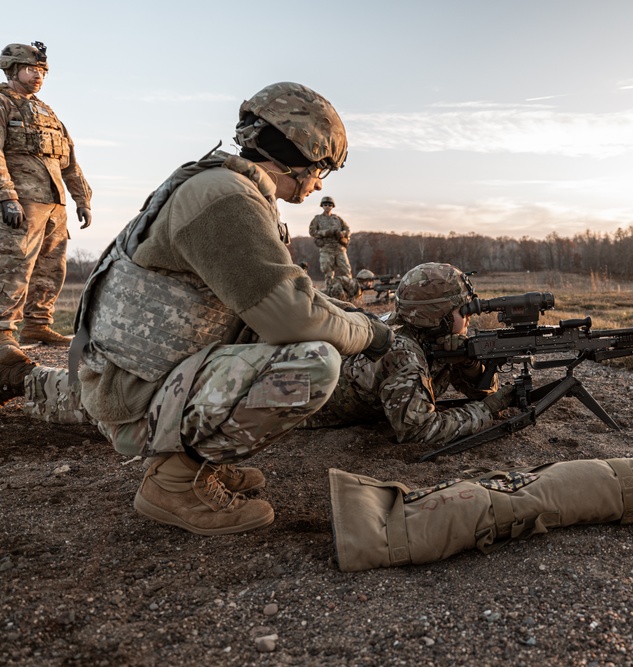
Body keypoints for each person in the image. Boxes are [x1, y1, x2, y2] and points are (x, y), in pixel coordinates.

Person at [41, 82, 392, 537]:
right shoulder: (227, 198)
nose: (320, 182)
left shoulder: (226, 187)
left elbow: (288, 291)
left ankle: (194, 462)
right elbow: (292, 317)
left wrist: (359, 318)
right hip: (131, 402)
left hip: (142, 381)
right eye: (321, 167)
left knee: (307, 338)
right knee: (310, 363)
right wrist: (370, 335)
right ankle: (173, 482)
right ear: (298, 154)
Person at [303, 262, 515, 444]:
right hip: (304, 410)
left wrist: (469, 363)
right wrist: (484, 411)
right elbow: (419, 430)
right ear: (437, 316)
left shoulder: (423, 331)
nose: (470, 316)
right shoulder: (402, 353)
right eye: (464, 309)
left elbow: (483, 390)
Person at [0, 42, 92, 352]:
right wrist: (7, 197)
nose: (38, 76)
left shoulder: (47, 112)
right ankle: (3, 332)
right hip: (22, 203)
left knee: (52, 267)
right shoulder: (3, 104)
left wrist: (82, 199)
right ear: (13, 70)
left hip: (54, 203)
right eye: (31, 69)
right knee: (15, 265)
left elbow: (69, 160)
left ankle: (38, 326)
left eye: (42, 71)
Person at [309, 195, 352, 297]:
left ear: (332, 206)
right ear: (322, 206)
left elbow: (348, 230)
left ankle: (350, 294)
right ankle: (330, 295)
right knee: (328, 273)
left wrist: (342, 233)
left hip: (339, 248)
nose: (327, 206)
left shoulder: (337, 219)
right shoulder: (317, 219)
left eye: (329, 205)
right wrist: (326, 232)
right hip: (326, 248)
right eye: (325, 205)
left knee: (346, 271)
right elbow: (312, 231)